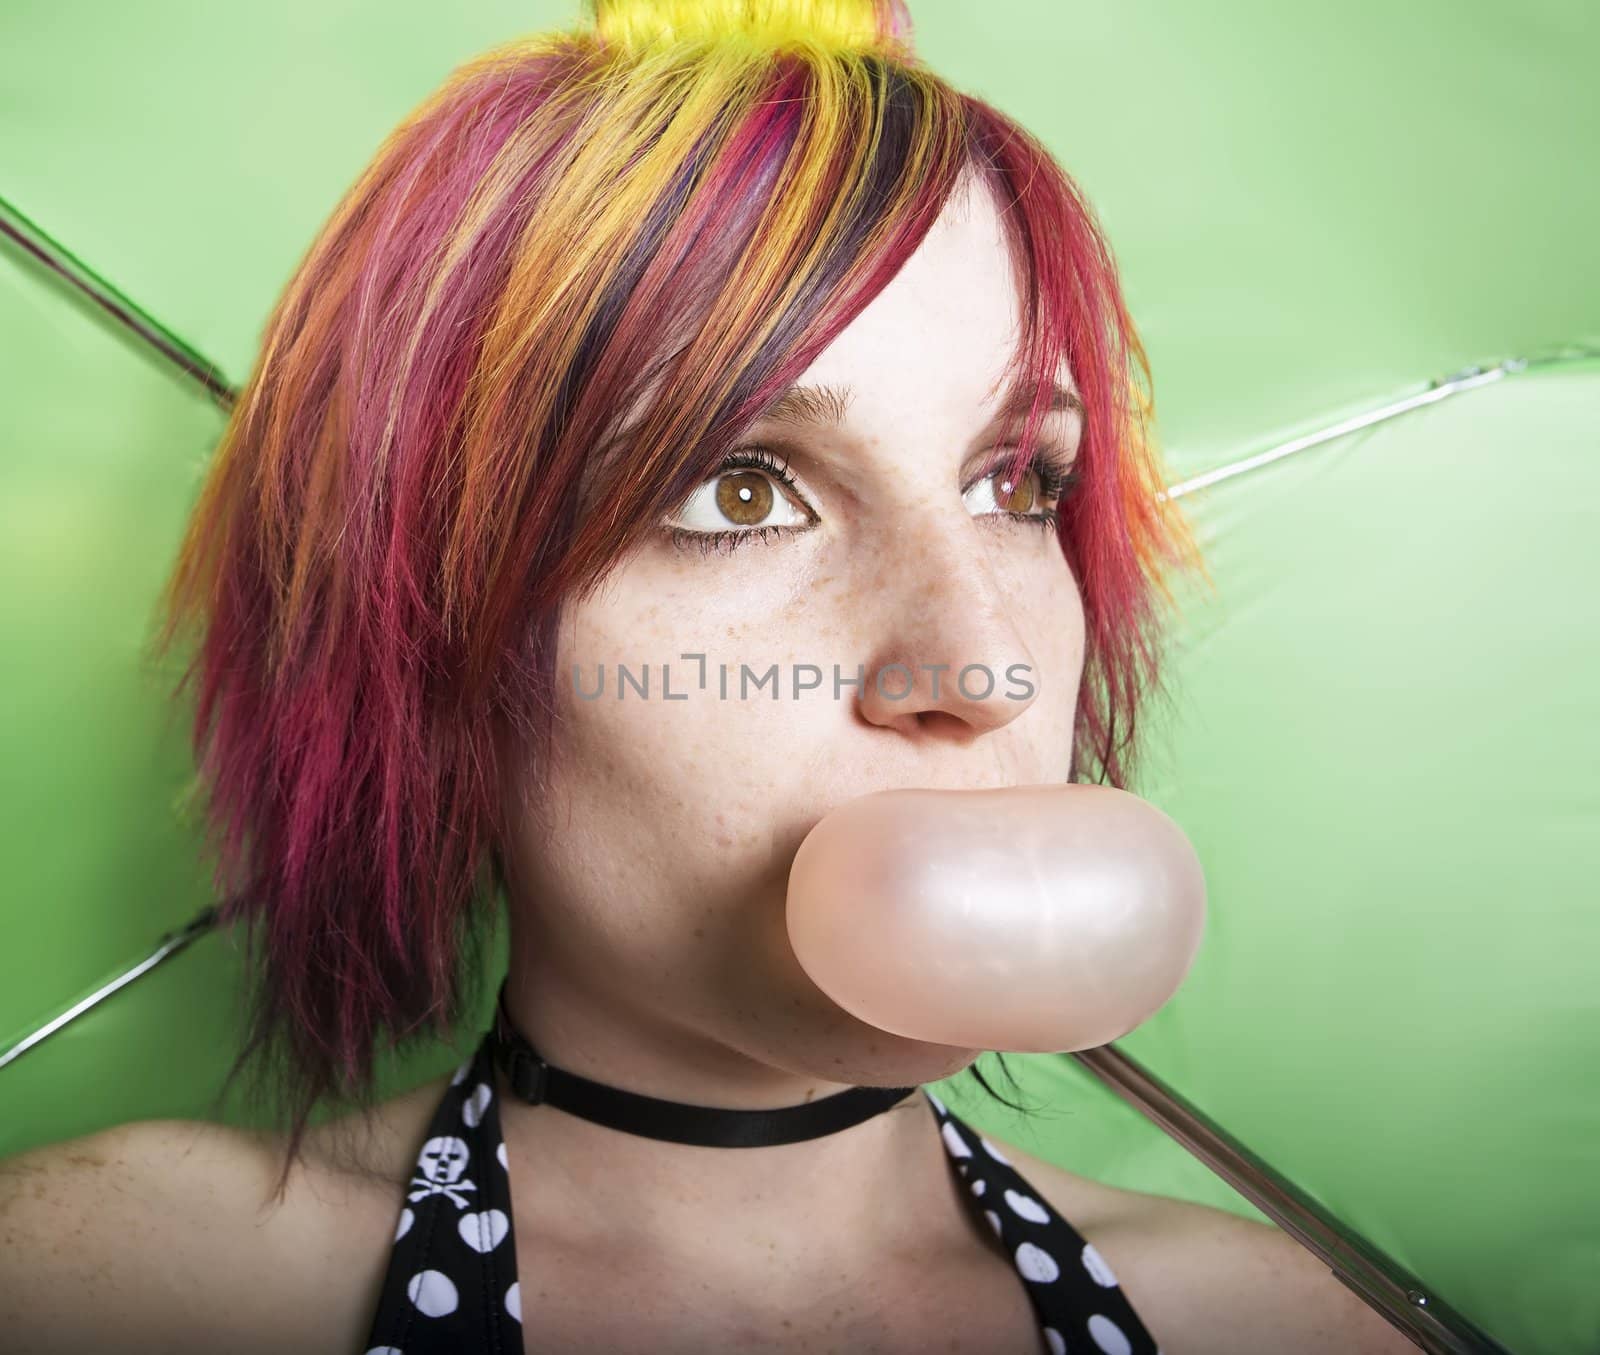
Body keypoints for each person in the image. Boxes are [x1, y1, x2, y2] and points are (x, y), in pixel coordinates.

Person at [0, 2, 1418, 1351]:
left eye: (1019, 480)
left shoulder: (1277, 1325)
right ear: (431, 640)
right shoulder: (103, 1294)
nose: (980, 661)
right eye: (739, 489)